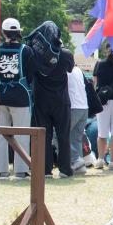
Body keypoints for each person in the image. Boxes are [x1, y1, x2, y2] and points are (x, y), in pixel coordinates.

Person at [0, 18, 36, 178]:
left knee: (0, 135)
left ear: (3, 32)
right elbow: (31, 75)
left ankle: (1, 170)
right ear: (19, 32)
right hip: (21, 97)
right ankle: (21, 170)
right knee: (22, 134)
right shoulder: (26, 50)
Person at [31, 31, 75, 179]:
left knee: (44, 136)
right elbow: (70, 69)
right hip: (61, 100)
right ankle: (65, 169)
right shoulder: (66, 54)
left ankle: (45, 169)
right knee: (63, 136)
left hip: (41, 100)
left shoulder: (35, 53)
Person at [92, 44, 113, 168]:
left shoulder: (99, 64)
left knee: (102, 132)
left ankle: (100, 159)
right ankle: (112, 161)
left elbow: (95, 83)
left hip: (103, 101)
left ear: (107, 50)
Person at [67, 67, 91, 174]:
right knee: (76, 139)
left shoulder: (66, 70)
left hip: (73, 107)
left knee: (58, 135)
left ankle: (76, 161)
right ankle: (80, 167)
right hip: (84, 107)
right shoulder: (78, 69)